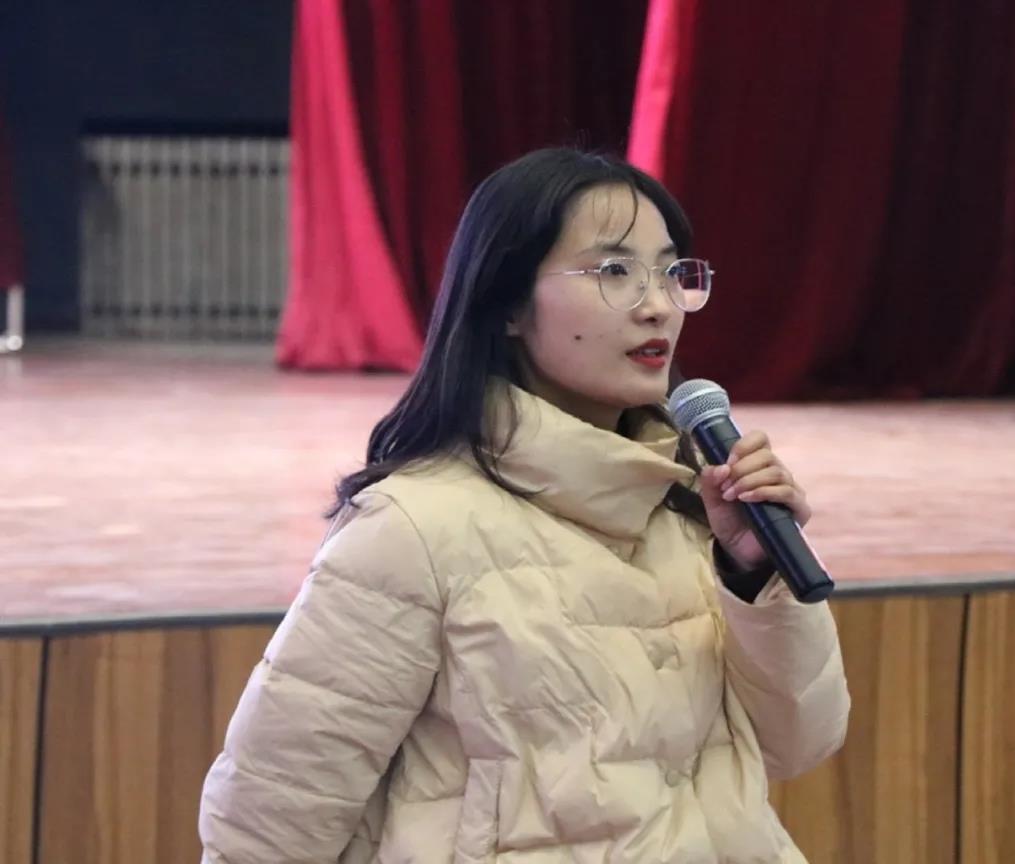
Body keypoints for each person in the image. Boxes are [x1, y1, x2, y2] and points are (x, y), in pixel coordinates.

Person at [199, 148, 849, 863]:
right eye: (614, 272)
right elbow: (267, 824)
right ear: (508, 304)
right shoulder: (413, 528)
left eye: (671, 273)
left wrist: (754, 574)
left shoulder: (690, 506)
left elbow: (799, 744)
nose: (658, 305)